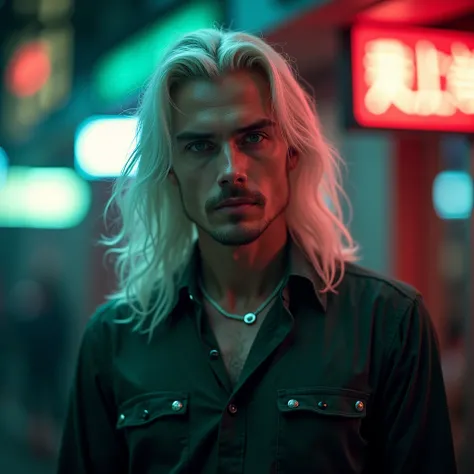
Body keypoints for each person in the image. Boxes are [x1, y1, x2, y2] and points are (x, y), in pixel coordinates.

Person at [58, 28, 456, 473]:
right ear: (170, 170)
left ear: (292, 151)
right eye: (200, 146)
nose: (231, 170)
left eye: (253, 138)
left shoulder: (389, 324)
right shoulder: (114, 340)